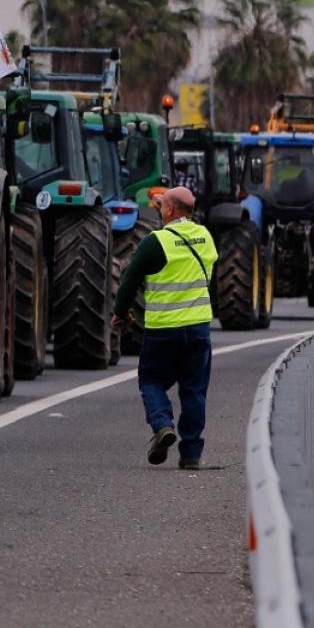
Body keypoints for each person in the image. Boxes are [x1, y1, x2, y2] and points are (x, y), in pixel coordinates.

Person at [113, 185, 217, 469]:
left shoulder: (155, 241)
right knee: (194, 390)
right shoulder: (205, 237)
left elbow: (129, 281)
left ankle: (162, 424)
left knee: (151, 381)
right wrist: (165, 201)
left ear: (169, 210)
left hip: (163, 329)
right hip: (198, 329)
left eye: (162, 207)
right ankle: (191, 455)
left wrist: (120, 313)